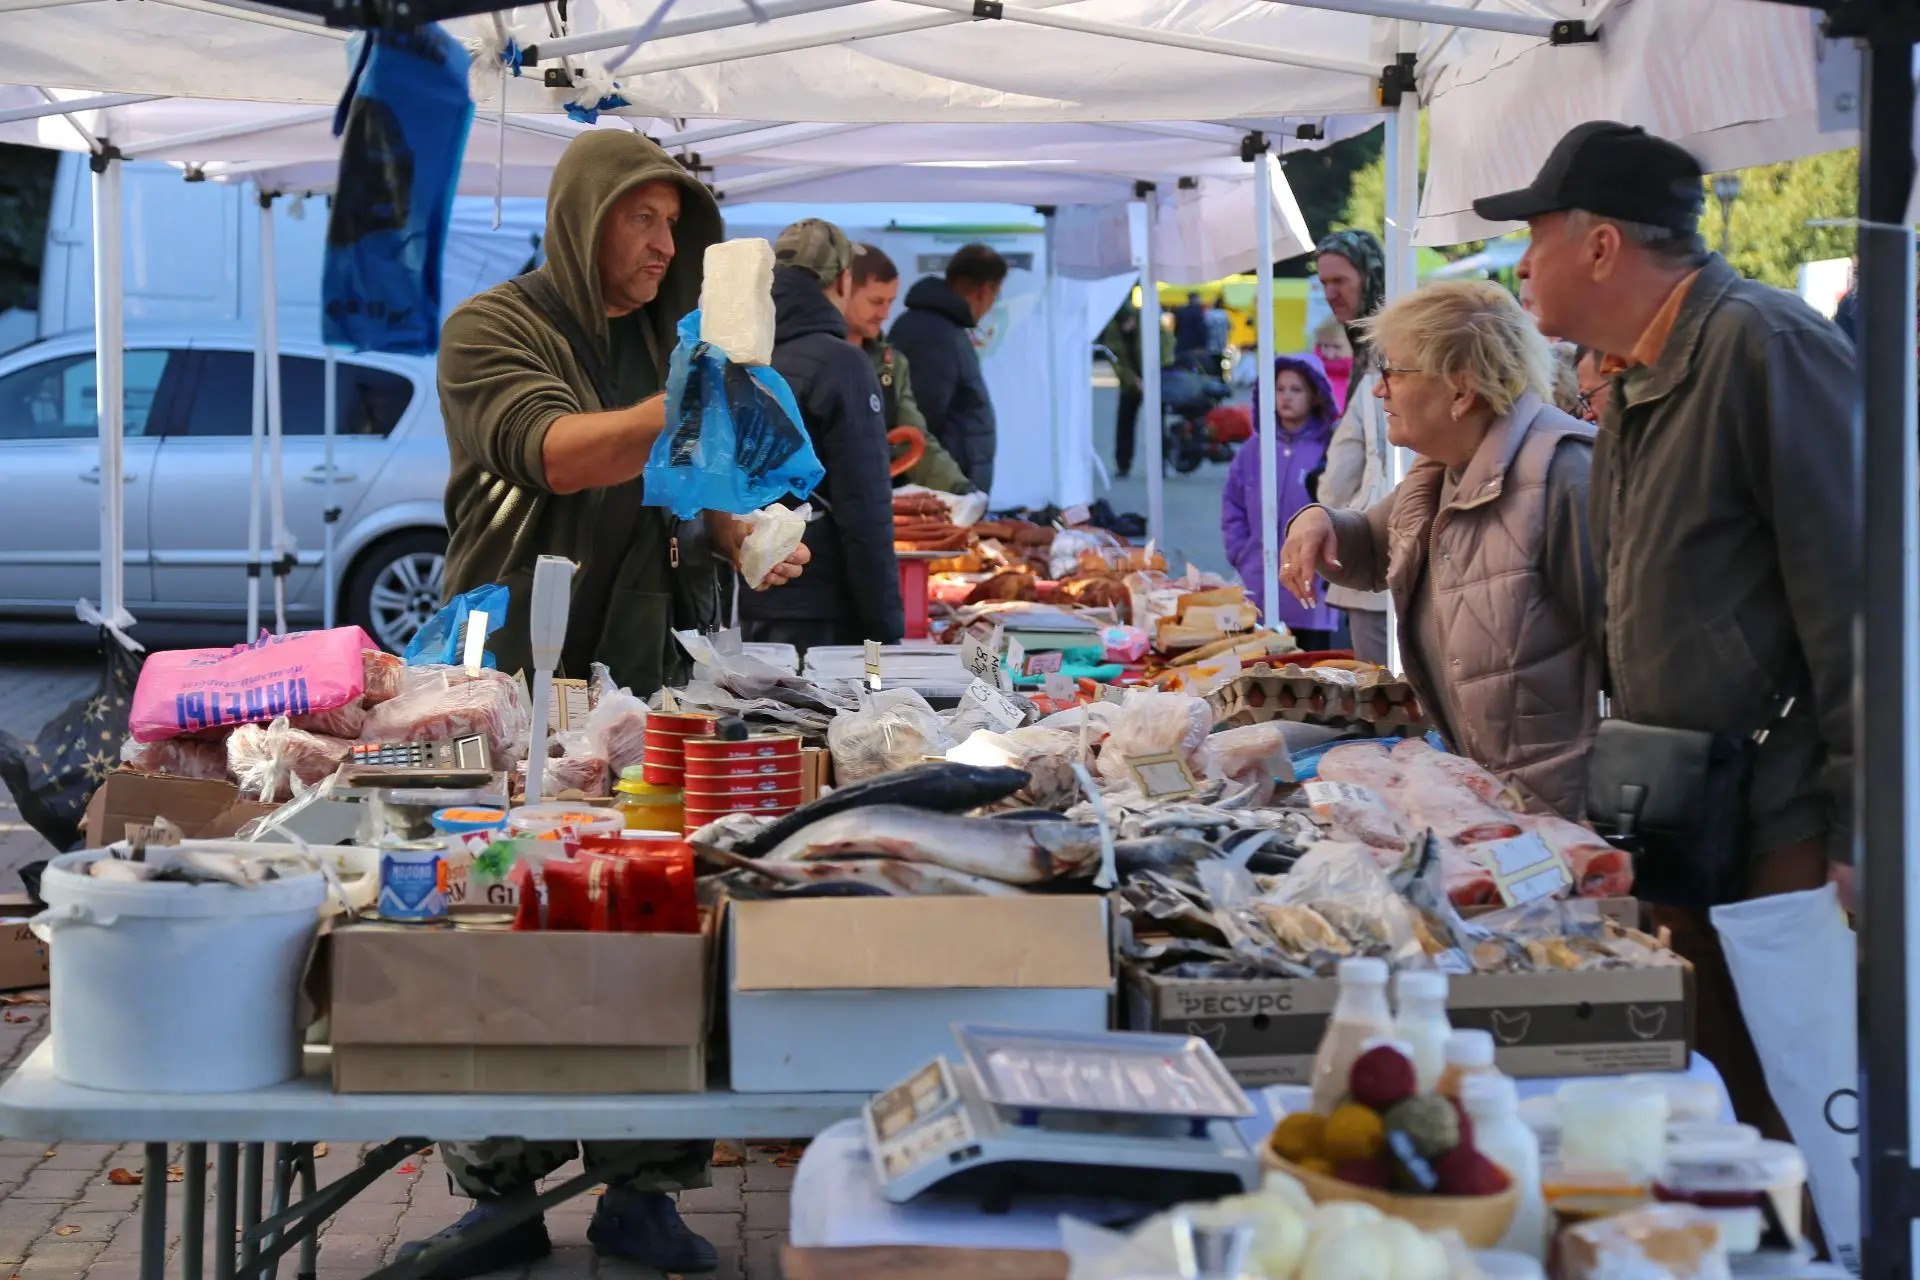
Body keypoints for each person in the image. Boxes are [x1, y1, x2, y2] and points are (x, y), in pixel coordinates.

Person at [418, 128, 807, 1278]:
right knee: (495, 917)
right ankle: (500, 1193)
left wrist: (740, 528)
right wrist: (684, 396)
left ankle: (645, 1187)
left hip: (635, 670)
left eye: (676, 223)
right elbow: (563, 455)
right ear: (586, 219)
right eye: (644, 218)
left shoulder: (659, 333)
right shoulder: (492, 330)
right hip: (509, 669)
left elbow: (676, 479)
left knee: (649, 913)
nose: (665, 241)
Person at [1478, 120, 1858, 1132]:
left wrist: (1863, 824)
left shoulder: (1765, 344)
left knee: (1805, 1097)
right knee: (1719, 1081)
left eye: (1538, 234)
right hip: (1683, 797)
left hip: (1783, 811)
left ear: (1602, 246)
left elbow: (1861, 598)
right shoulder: (1634, 373)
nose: (1522, 262)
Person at [1281, 281, 1600, 818]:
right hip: (1479, 795)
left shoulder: (1565, 474)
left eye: (1393, 371)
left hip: (1562, 811)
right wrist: (1318, 519)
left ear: (1461, 389)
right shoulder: (1440, 470)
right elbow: (1372, 545)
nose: (1379, 390)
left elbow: (1635, 664)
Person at [739, 219, 905, 656]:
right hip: (821, 610)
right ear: (844, 279)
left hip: (748, 601)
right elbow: (865, 507)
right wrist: (886, 630)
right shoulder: (841, 364)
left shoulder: (740, 356)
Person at [1221, 354, 1343, 649]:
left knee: (1312, 674)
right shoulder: (1254, 450)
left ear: (1315, 396)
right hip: (1259, 583)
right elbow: (1232, 504)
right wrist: (1241, 552)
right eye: (1280, 389)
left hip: (1311, 587)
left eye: (1296, 390)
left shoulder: (1330, 448)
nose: (1286, 397)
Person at [1311, 230, 1394, 664]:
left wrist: (1332, 515)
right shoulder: (1367, 347)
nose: (1330, 293)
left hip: (1378, 538)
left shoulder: (1387, 351)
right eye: (1323, 283)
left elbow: (1344, 471)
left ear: (1370, 276)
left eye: (1339, 281)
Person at [839, 242, 976, 494]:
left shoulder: (893, 364)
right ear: (843, 290)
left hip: (876, 507)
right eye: (876, 301)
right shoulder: (811, 357)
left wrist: (961, 489)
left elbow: (914, 439)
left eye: (890, 302)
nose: (885, 313)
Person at [889, 243, 1006, 493]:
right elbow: (920, 422)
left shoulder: (938, 327)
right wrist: (955, 487)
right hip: (940, 492)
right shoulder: (935, 334)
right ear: (985, 291)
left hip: (944, 485)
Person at [1100, 301, 1145, 478]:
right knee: (1125, 421)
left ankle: (1162, 462)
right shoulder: (1113, 332)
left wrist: (1151, 376)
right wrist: (1132, 379)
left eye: (1129, 322)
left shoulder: (1146, 323)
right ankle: (1123, 463)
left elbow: (1162, 349)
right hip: (1130, 383)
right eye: (1123, 324)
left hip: (1153, 377)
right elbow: (1116, 360)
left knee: (1159, 421)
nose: (1127, 327)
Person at [1312, 317, 1354, 412]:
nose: (1329, 355)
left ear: (1354, 346)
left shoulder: (1366, 376)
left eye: (1337, 347)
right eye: (1325, 346)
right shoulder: (1310, 372)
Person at [1173, 290, 1211, 361]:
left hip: (1181, 344)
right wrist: (1202, 345)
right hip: (1194, 347)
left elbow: (1176, 329)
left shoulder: (1181, 311)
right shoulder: (1198, 312)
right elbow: (1201, 329)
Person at [1206, 297, 1234, 367]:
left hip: (1210, 344)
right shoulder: (1225, 314)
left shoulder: (1208, 314)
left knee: (1211, 364)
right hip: (1221, 343)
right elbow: (1230, 327)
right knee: (1220, 365)